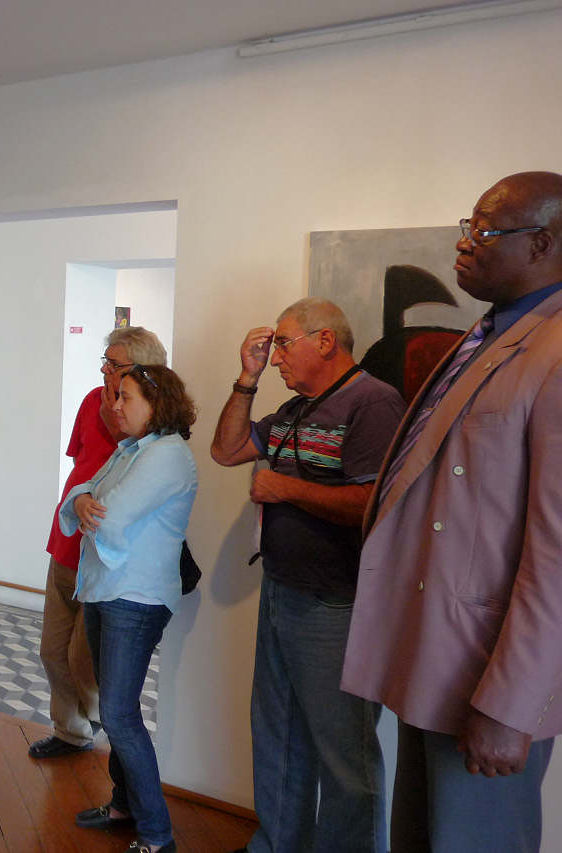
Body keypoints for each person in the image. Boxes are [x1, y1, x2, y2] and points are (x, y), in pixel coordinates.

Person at [342, 171, 562, 853]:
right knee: (420, 834)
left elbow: (557, 553)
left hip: (486, 671)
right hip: (434, 651)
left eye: (485, 231)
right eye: (468, 227)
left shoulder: (555, 350)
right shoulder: (491, 335)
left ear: (543, 243)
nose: (465, 243)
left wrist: (511, 703)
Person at [210, 297, 404, 853]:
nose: (276, 358)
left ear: (325, 341)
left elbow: (375, 503)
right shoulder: (295, 410)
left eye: (283, 345)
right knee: (278, 736)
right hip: (282, 590)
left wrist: (285, 488)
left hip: (335, 604)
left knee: (344, 755)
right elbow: (226, 450)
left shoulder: (373, 402)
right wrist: (246, 380)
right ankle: (276, 844)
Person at [62, 364, 198, 853]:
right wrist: (83, 501)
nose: (115, 406)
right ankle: (123, 805)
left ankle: (157, 835)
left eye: (126, 397)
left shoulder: (167, 455)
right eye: (116, 396)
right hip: (108, 589)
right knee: (115, 707)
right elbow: (78, 492)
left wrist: (88, 503)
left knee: (118, 715)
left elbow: (110, 516)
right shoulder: (130, 449)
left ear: (156, 404)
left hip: (135, 597)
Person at [31, 326, 168, 759]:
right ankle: (70, 730)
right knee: (52, 650)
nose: (105, 371)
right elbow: (81, 462)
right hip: (67, 541)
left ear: (144, 370)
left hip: (106, 557)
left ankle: (92, 721)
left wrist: (117, 423)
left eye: (115, 364)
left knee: (83, 658)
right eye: (105, 362)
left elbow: (139, 469)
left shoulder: (155, 418)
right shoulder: (92, 400)